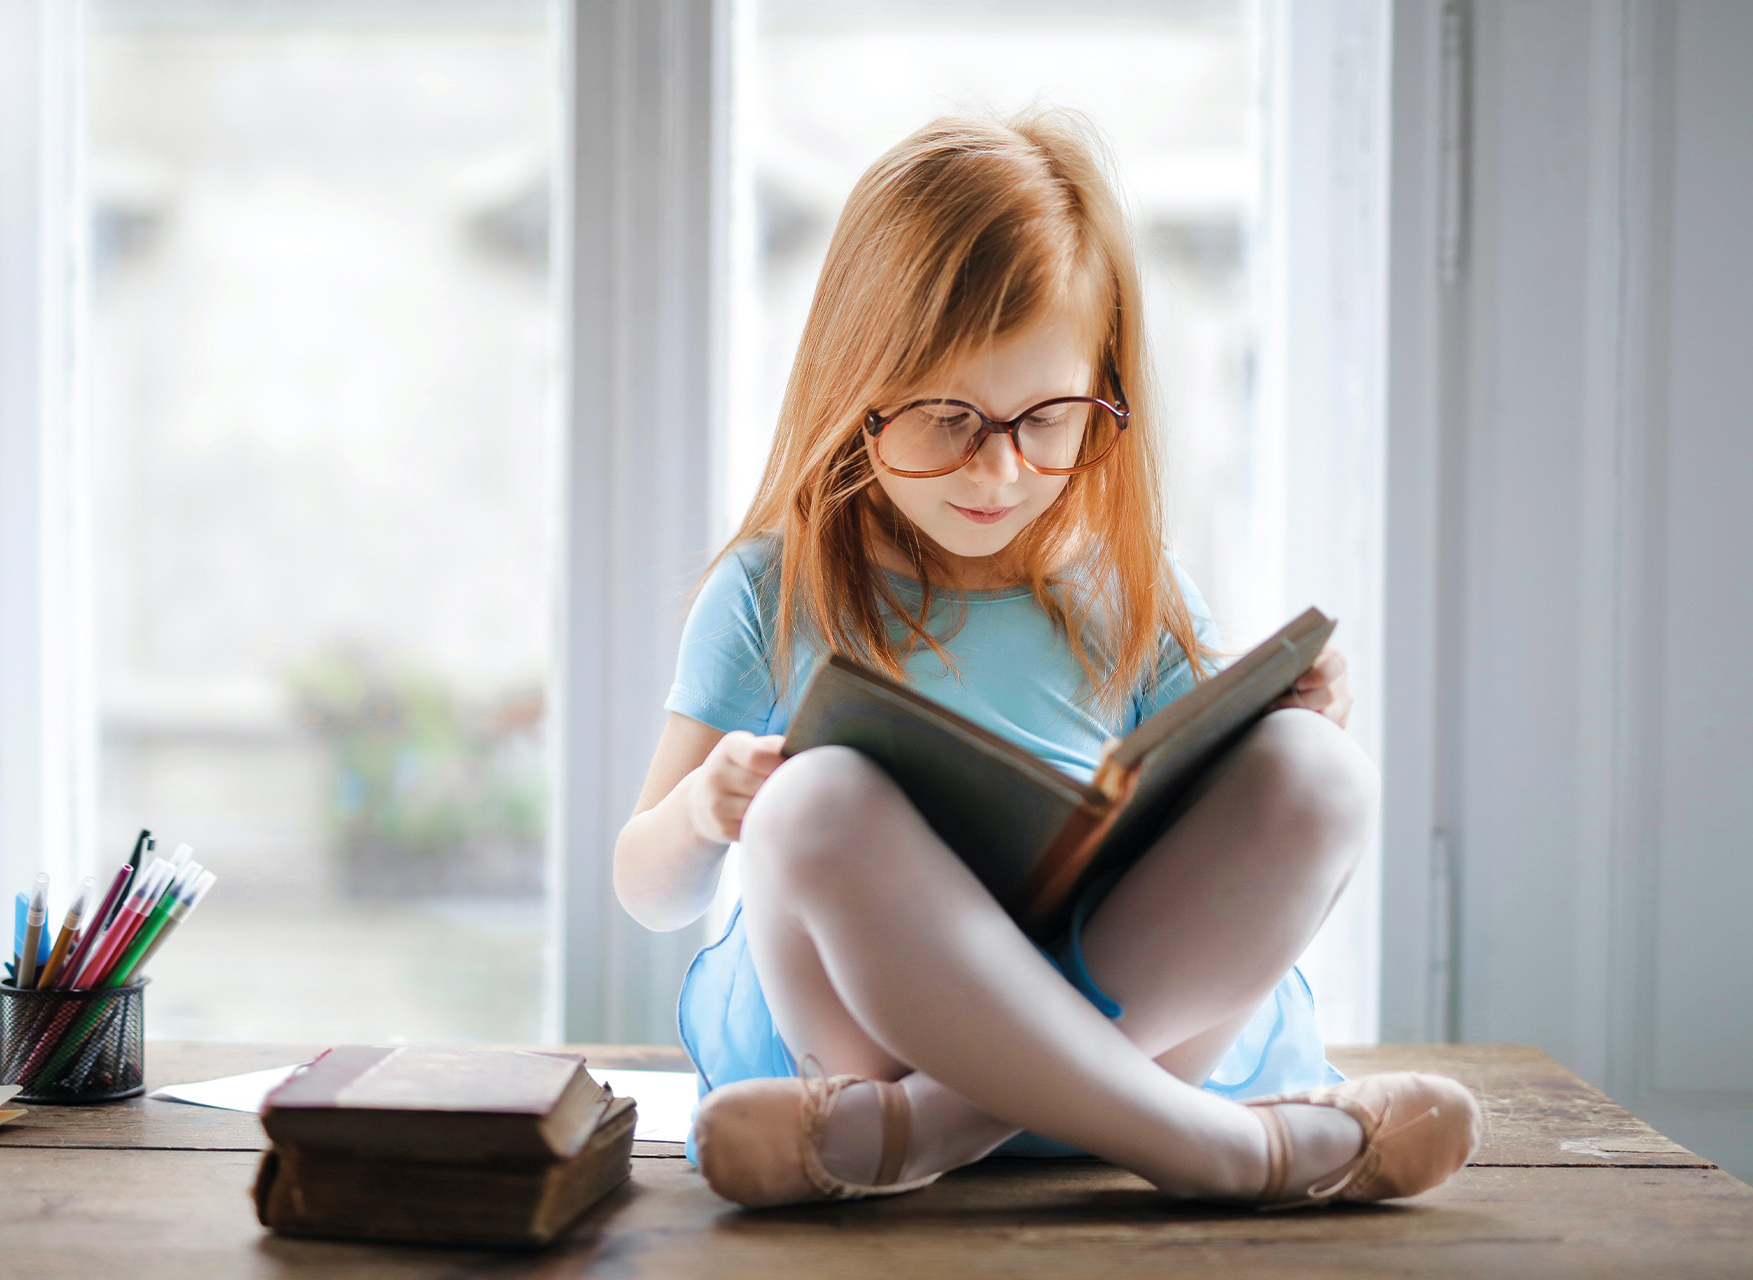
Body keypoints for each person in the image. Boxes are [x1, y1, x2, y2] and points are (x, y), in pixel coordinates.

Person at [613, 110, 1479, 1209]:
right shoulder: (774, 587)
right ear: (854, 387)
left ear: (1101, 393)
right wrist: (704, 809)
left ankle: (935, 1129)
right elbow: (644, 887)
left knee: (1320, 770)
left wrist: (1297, 711)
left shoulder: (1127, 582)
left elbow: (1229, 808)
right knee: (809, 802)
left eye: (1050, 418)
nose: (1001, 470)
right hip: (864, 1040)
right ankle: (1222, 1150)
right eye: (944, 418)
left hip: (1103, 1031)